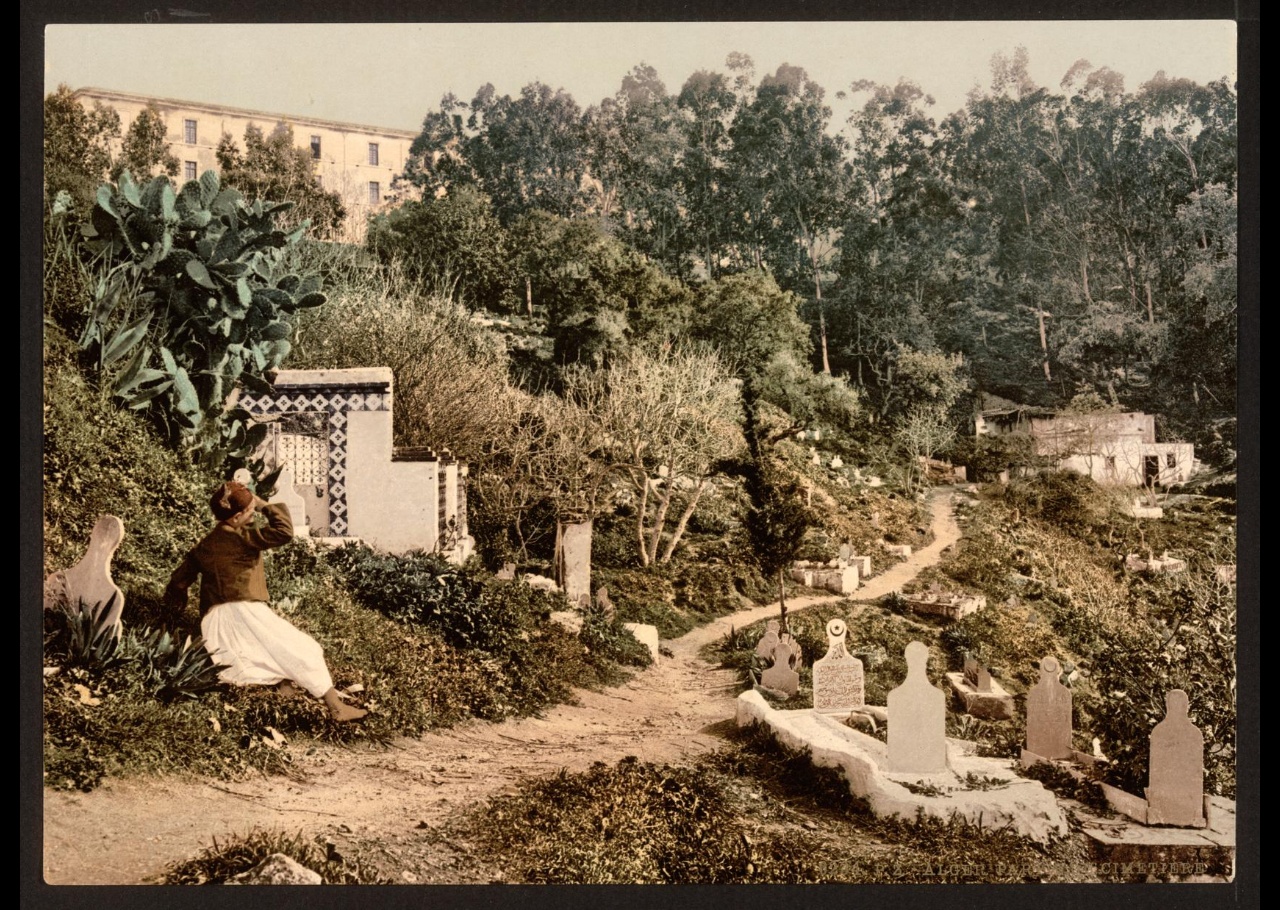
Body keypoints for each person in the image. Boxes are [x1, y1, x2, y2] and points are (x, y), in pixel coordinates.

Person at [164, 480, 367, 722]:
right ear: (238, 516)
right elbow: (284, 531)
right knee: (305, 650)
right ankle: (336, 708)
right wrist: (263, 505)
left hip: (215, 620)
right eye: (249, 513)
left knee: (262, 656)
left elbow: (178, 581)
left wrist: (172, 613)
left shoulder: (205, 545)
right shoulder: (244, 537)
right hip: (243, 612)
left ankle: (284, 698)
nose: (253, 516)